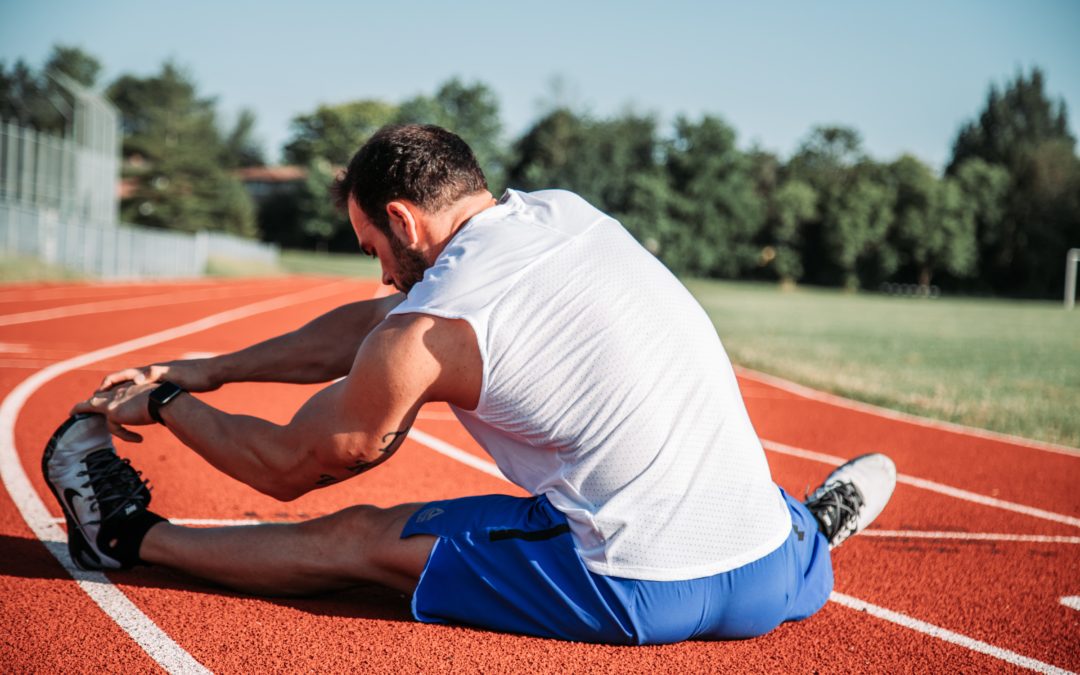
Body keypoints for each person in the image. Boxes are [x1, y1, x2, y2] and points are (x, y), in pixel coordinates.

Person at [44, 124, 896, 644]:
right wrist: (213, 368)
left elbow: (288, 463)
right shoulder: (562, 213)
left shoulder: (426, 329)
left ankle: (125, 538)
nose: (378, 272)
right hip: (768, 577)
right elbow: (381, 324)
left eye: (372, 247)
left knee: (356, 538)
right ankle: (811, 530)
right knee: (708, 463)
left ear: (405, 222)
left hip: (634, 584)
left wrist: (165, 401)